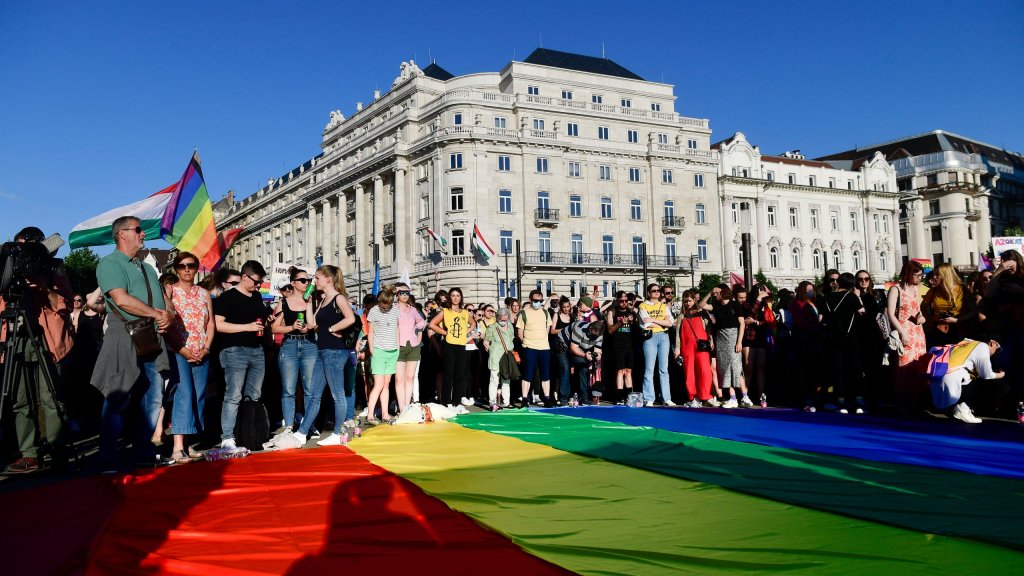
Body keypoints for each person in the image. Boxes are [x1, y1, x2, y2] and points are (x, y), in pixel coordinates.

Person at [91, 216, 174, 470]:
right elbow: (121, 299)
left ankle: (143, 451)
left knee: (152, 398)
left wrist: (168, 315)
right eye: (138, 229)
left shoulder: (147, 268)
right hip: (124, 334)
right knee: (118, 396)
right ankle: (107, 456)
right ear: (122, 234)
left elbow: (165, 301)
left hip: (152, 336)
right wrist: (158, 314)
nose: (143, 233)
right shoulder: (110, 263)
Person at [0, 226, 75, 473]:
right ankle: (29, 453)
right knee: (19, 399)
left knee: (51, 397)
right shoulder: (7, 266)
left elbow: (65, 305)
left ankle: (57, 450)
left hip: (47, 339)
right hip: (16, 337)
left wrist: (43, 286)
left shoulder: (51, 268)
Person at [290, 265, 356, 445]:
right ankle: (302, 432)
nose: (314, 281)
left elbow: (350, 318)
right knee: (314, 394)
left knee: (337, 394)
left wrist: (333, 328)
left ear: (328, 279)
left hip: (335, 351)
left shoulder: (338, 298)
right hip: (322, 351)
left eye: (317, 278)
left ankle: (338, 433)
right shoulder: (323, 300)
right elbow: (312, 325)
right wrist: (308, 304)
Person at [163, 252, 214, 463]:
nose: (187, 269)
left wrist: (206, 348)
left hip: (201, 351)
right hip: (178, 351)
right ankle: (177, 447)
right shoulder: (170, 292)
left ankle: (189, 443)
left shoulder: (204, 293)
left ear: (196, 268)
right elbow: (165, 325)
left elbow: (210, 323)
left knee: (199, 396)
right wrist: (181, 349)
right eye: (182, 265)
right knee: (184, 394)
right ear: (176, 269)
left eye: (191, 265)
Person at [213, 260, 268, 451]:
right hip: (234, 350)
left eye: (260, 282)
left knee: (254, 395)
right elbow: (218, 325)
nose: (258, 285)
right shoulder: (228, 297)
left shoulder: (257, 296)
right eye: (256, 281)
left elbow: (260, 319)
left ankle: (249, 433)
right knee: (233, 395)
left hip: (257, 350)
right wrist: (247, 327)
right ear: (244, 277)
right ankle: (227, 437)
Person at [271, 267, 317, 434]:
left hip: (309, 345)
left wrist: (308, 327)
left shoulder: (312, 301)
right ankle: (289, 426)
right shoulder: (283, 303)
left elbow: (313, 324)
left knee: (309, 389)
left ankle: (308, 425)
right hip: (289, 345)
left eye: (308, 280)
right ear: (293, 283)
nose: (307, 283)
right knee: (289, 389)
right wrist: (291, 327)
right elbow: (274, 328)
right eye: (303, 280)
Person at [929, 339, 1007, 423]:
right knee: (999, 385)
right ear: (993, 343)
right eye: (997, 350)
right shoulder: (983, 346)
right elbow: (986, 375)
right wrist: (1001, 375)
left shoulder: (968, 343)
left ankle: (960, 408)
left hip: (938, 382)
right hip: (951, 384)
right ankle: (964, 408)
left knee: (977, 375)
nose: (996, 354)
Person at [821, 273, 866, 414]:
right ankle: (857, 402)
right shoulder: (851, 296)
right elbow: (862, 312)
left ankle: (840, 402)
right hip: (850, 338)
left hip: (833, 338)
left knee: (837, 370)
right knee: (854, 370)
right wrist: (858, 297)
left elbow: (821, 318)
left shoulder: (826, 297)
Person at [887, 260, 928, 412]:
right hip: (904, 329)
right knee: (903, 366)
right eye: (917, 275)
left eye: (921, 275)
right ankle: (902, 403)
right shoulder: (895, 289)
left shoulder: (916, 289)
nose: (919, 278)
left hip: (917, 331)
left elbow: (917, 310)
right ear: (908, 274)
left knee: (918, 365)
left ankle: (917, 402)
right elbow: (891, 313)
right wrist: (902, 332)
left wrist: (921, 317)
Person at [427, 287, 475, 407]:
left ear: (461, 297)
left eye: (458, 296)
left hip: (461, 345)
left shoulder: (464, 312)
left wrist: (465, 332)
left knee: (459, 375)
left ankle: (456, 403)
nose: (455, 298)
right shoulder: (445, 311)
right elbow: (432, 324)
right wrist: (445, 332)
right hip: (448, 345)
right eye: (453, 295)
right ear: (449, 297)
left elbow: (473, 323)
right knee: (448, 374)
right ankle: (446, 402)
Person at [675, 290, 718, 408]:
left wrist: (711, 338)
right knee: (689, 372)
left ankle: (707, 396)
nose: (688, 303)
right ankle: (693, 397)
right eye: (685, 301)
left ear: (694, 300)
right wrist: (677, 348)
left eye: (689, 300)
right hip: (687, 346)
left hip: (702, 345)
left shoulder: (702, 312)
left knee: (705, 371)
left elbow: (709, 326)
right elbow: (678, 333)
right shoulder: (681, 316)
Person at [710, 284, 751, 408]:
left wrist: (739, 342)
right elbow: (701, 305)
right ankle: (734, 398)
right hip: (720, 338)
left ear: (723, 292)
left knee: (736, 368)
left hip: (733, 337)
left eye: (717, 292)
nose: (716, 295)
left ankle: (744, 396)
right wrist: (710, 292)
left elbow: (742, 324)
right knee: (725, 369)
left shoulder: (735, 305)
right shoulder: (716, 305)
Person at [366, 285, 400, 422]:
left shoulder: (395, 310)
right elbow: (370, 332)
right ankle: (370, 414)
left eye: (388, 305)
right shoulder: (373, 311)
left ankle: (385, 414)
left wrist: (397, 347)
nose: (385, 307)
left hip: (392, 351)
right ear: (379, 301)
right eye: (383, 305)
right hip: (379, 351)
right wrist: (372, 349)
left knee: (386, 384)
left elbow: (396, 329)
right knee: (378, 384)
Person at [638, 283, 675, 407]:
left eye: (658, 290)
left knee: (664, 369)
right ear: (649, 293)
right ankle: (649, 398)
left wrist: (653, 320)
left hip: (664, 337)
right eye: (654, 290)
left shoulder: (663, 306)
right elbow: (645, 323)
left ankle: (666, 398)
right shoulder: (643, 305)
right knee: (649, 369)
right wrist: (662, 323)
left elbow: (670, 322)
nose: (657, 292)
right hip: (650, 337)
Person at [516, 289, 554, 407]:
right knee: (527, 374)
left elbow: (547, 330)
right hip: (529, 347)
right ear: (530, 300)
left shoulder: (545, 313)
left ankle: (546, 398)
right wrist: (527, 343)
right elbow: (520, 332)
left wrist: (541, 340)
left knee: (545, 374)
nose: (538, 303)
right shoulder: (523, 313)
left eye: (540, 301)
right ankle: (524, 398)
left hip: (544, 348)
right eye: (536, 301)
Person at [922, 263, 974, 347]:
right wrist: (929, 321)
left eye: (937, 275)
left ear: (946, 275)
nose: (933, 277)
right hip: (938, 330)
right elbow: (923, 307)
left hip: (959, 329)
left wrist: (957, 320)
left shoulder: (962, 290)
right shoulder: (933, 291)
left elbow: (973, 312)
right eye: (933, 274)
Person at [394, 282, 426, 412]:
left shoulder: (413, 310)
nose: (405, 295)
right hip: (398, 346)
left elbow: (422, 322)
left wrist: (417, 334)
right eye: (402, 293)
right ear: (397, 294)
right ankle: (401, 408)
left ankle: (406, 407)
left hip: (413, 346)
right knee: (399, 379)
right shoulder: (393, 309)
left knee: (410, 378)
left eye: (407, 292)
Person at [559, 319, 605, 404]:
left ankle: (584, 398)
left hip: (579, 347)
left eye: (596, 336)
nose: (594, 337)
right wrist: (584, 355)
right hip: (563, 344)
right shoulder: (580, 328)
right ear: (590, 328)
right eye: (593, 334)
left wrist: (597, 355)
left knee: (584, 369)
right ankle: (563, 399)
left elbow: (597, 350)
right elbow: (573, 348)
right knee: (566, 368)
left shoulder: (599, 334)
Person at [605, 291, 635, 404]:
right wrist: (620, 323)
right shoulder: (612, 311)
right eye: (621, 301)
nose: (624, 303)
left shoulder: (631, 311)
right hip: (617, 345)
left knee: (628, 371)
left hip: (629, 345)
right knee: (620, 371)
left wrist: (632, 321)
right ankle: (619, 396)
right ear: (617, 300)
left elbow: (636, 328)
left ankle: (629, 396)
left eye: (626, 301)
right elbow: (610, 330)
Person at [482, 307, 516, 407]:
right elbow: (486, 342)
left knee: (506, 380)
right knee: (494, 380)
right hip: (495, 358)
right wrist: (490, 350)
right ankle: (492, 402)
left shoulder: (510, 327)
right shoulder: (492, 328)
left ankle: (506, 402)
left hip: (507, 357)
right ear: (497, 318)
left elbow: (511, 340)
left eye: (506, 319)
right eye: (501, 319)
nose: (503, 321)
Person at [550, 296, 575, 405]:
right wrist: (565, 329)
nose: (566, 309)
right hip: (560, 347)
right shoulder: (557, 315)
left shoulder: (572, 316)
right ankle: (563, 397)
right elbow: (552, 331)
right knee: (565, 368)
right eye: (564, 307)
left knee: (570, 371)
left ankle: (570, 395)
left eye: (568, 307)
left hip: (571, 347)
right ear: (560, 307)